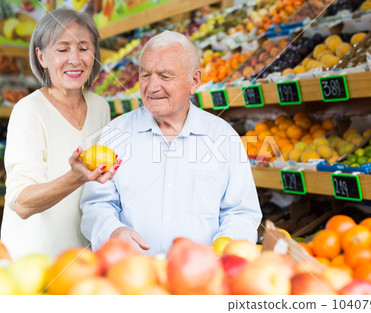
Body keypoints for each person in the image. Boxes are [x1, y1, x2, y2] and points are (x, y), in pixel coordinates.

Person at [80, 30, 262, 256]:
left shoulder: (223, 137)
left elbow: (242, 212)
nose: (152, 87)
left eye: (165, 76)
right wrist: (112, 232)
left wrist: (225, 246)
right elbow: (96, 204)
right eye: (145, 75)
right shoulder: (116, 134)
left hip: (203, 278)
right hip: (132, 277)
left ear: (194, 81)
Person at [1, 8, 120, 260]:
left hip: (83, 260)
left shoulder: (100, 107)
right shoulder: (28, 111)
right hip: (34, 263)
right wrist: (75, 178)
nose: (75, 59)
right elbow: (21, 203)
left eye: (84, 48)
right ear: (41, 56)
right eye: (63, 49)